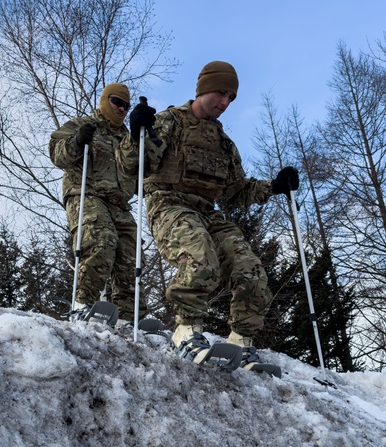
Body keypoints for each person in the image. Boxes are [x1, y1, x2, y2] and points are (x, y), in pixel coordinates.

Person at [119, 61, 299, 367]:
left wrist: (274, 187)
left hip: (207, 213)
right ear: (203, 89)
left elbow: (237, 191)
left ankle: (241, 343)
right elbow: (133, 168)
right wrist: (136, 134)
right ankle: (186, 330)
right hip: (169, 205)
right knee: (200, 257)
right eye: (221, 93)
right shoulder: (168, 122)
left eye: (231, 97)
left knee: (250, 271)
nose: (226, 102)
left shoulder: (224, 144)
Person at [48, 83, 144, 326]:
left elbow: (144, 171)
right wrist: (78, 142)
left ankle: (129, 318)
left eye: (126, 105)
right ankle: (83, 302)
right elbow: (57, 155)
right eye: (117, 102)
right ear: (105, 100)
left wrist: (145, 138)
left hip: (119, 203)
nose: (122, 108)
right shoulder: (82, 125)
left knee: (132, 256)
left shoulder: (129, 138)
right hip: (86, 192)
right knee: (102, 240)